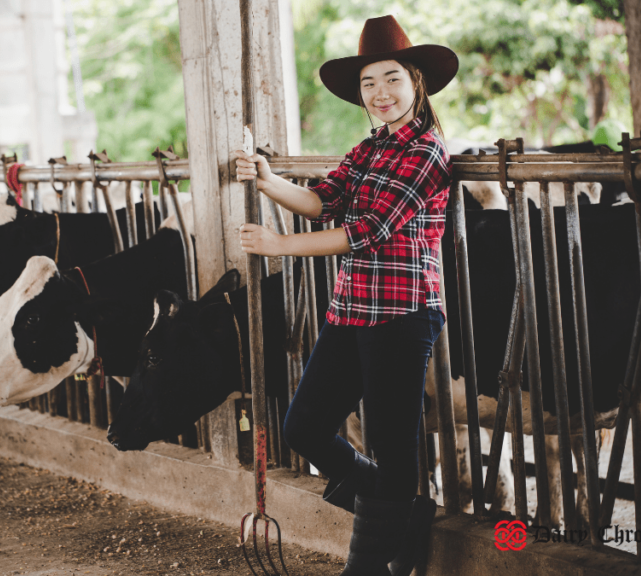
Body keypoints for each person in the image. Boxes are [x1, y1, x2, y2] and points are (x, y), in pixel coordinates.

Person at [234, 15, 458, 576]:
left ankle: (369, 566)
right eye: (368, 84)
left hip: (403, 312)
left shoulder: (427, 151)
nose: (380, 93)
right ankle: (403, 517)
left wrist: (277, 246)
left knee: (391, 443)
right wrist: (266, 179)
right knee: (303, 426)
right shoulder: (368, 149)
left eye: (391, 80)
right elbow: (321, 200)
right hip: (352, 307)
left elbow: (369, 229)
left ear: (416, 83)